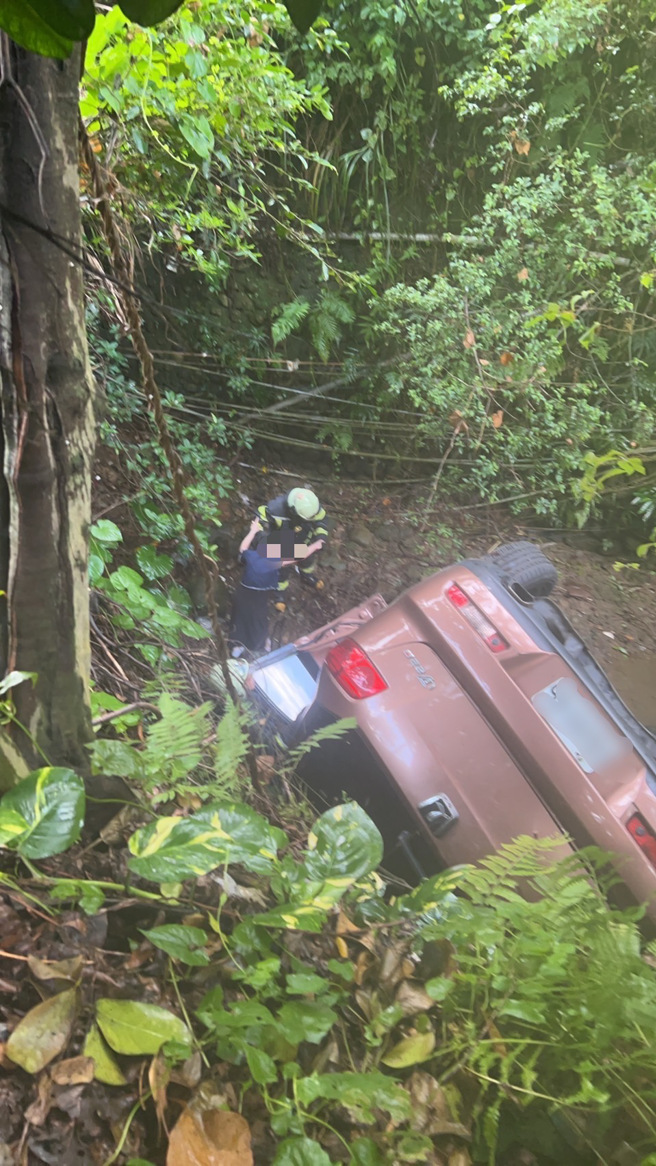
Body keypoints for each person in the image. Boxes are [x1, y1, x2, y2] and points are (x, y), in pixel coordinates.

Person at [229, 520, 318, 656]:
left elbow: (243, 548)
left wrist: (253, 531)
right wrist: (316, 545)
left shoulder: (252, 556)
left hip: (242, 593)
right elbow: (302, 554)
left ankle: (236, 645)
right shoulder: (273, 561)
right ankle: (255, 647)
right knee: (258, 622)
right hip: (257, 597)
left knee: (239, 618)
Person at [256, 487, 329, 592]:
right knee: (282, 570)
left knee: (308, 560)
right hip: (282, 543)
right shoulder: (274, 509)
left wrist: (321, 537)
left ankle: (306, 575)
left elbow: (321, 519)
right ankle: (279, 590)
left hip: (304, 538)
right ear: (293, 512)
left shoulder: (312, 506)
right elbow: (259, 529)